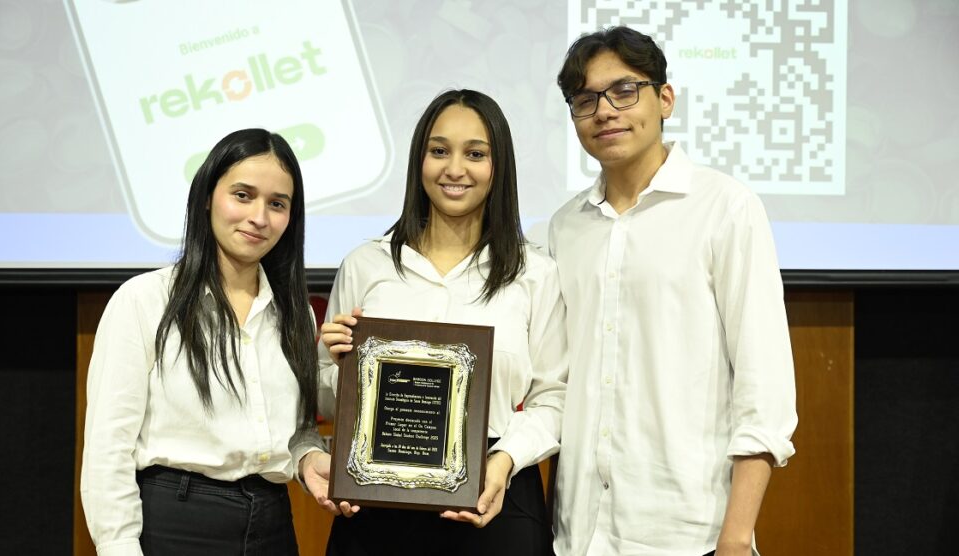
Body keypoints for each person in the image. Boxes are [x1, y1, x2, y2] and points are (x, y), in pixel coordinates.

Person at [548, 26, 798, 556]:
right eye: (585, 100)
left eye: (623, 91)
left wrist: (737, 536)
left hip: (689, 534)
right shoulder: (565, 226)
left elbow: (765, 383)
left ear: (665, 99)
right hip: (578, 533)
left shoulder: (725, 207)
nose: (605, 111)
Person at [318, 89, 567, 556]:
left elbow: (554, 398)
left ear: (499, 167)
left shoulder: (535, 273)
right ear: (419, 161)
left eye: (475, 153)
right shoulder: (366, 264)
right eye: (439, 151)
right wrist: (340, 370)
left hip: (495, 497)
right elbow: (328, 399)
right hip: (379, 503)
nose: (455, 169)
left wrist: (504, 460)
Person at [81, 128, 348, 556]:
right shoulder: (144, 300)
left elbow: (293, 430)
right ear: (208, 196)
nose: (260, 217)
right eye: (243, 195)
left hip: (273, 521)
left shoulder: (292, 311)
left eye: (277, 204)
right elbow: (108, 448)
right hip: (177, 523)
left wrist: (307, 458)